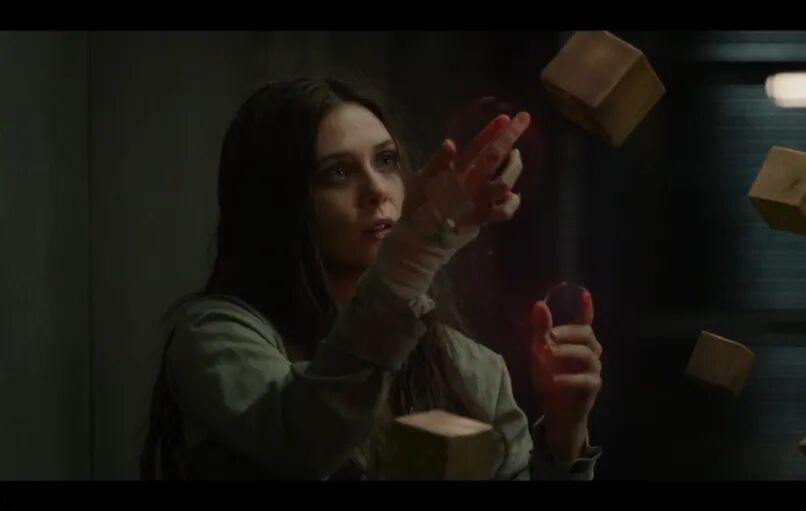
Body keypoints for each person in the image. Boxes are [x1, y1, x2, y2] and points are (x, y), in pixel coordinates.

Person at [139, 77, 604, 480]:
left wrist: (565, 433)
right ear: (278, 201)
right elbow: (304, 441)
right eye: (338, 173)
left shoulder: (468, 367)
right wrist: (413, 257)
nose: (377, 191)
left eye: (385, 162)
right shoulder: (217, 337)